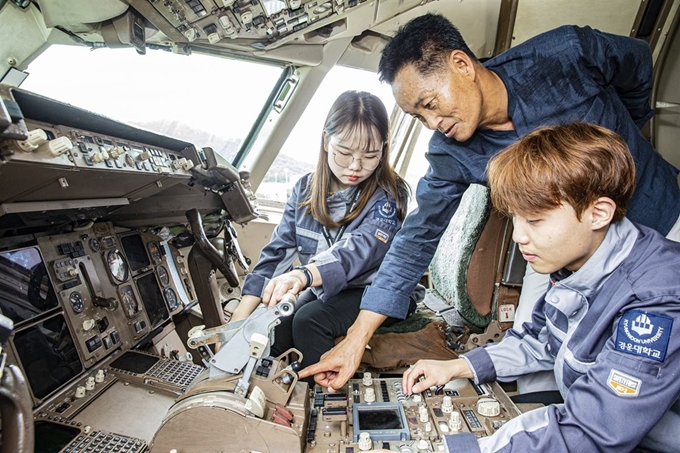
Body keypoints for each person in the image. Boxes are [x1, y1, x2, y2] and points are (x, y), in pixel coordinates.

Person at [298, 14, 680, 392]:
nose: (431, 123)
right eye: (418, 116)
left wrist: (625, 141)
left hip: (657, 213)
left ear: (462, 64)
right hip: (557, 256)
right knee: (533, 370)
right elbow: (416, 238)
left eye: (430, 103)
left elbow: (638, 64)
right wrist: (356, 338)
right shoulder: (450, 152)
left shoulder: (567, 55)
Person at [388, 122, 680, 453]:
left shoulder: (655, 301)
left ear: (598, 213)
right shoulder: (575, 264)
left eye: (535, 220)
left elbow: (596, 432)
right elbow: (538, 342)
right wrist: (458, 366)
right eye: (515, 217)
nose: (518, 236)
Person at [230, 90, 414, 378]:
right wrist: (239, 320)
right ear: (326, 141)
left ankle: (322, 401)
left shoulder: (390, 196)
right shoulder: (305, 189)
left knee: (308, 320)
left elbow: (358, 251)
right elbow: (277, 252)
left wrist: (302, 276)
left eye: (370, 155)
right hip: (326, 289)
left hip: (376, 291)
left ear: (384, 149)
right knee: (278, 324)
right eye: (344, 152)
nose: (355, 166)